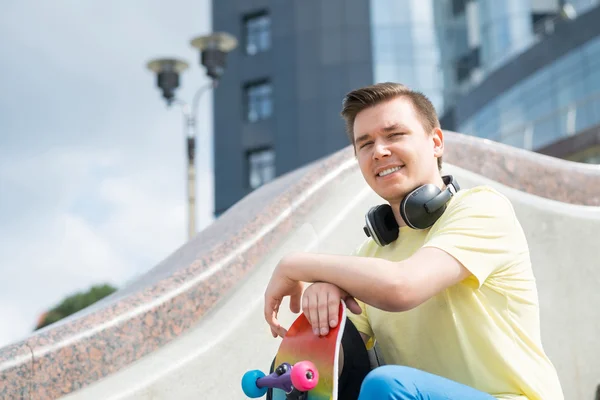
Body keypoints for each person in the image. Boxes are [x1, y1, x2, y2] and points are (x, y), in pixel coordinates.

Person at [263, 82, 564, 399]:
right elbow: (339, 363)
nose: (379, 151)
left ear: (435, 142)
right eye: (365, 144)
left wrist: (295, 264)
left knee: (386, 385)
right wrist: (317, 333)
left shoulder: (481, 209)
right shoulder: (369, 257)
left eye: (394, 135)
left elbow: (402, 287)